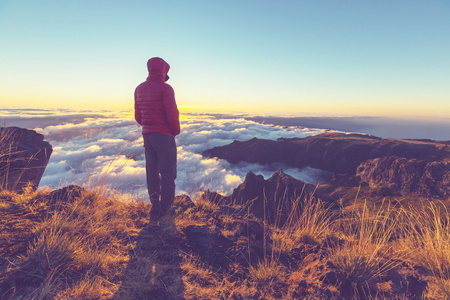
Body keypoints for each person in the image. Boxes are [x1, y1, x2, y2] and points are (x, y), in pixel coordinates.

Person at [134, 57, 180, 220]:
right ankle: (166, 209)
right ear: (163, 70)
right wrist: (174, 131)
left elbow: (138, 116)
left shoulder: (139, 88)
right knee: (167, 172)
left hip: (147, 135)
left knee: (151, 171)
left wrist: (148, 125)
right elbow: (172, 114)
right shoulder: (166, 88)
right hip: (164, 136)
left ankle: (155, 205)